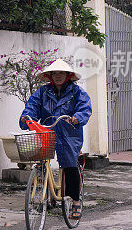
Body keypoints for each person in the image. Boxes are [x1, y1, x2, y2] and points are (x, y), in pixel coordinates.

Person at [18, 59, 92, 219]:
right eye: (55, 73)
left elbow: (84, 108)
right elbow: (32, 106)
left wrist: (76, 118)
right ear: (50, 76)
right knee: (42, 161)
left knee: (70, 165)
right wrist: (27, 117)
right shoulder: (43, 92)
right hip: (47, 132)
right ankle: (49, 194)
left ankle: (76, 201)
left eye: (61, 73)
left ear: (68, 75)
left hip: (69, 134)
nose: (58, 76)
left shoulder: (77, 92)